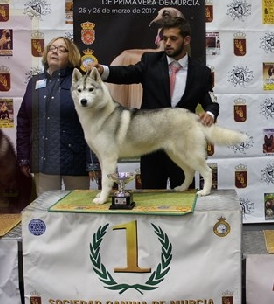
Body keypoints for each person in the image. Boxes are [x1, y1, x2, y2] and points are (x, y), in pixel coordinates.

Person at [95, 16, 219, 190]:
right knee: (150, 199)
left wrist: (210, 113)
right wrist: (103, 70)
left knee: (184, 200)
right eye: (164, 38)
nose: (167, 43)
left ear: (186, 40)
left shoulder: (201, 72)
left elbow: (210, 101)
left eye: (173, 39)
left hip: (182, 145)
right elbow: (128, 73)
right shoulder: (150, 61)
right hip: (151, 146)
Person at [17, 36, 99, 195]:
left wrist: (93, 161)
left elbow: (94, 124)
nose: (55, 51)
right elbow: (23, 122)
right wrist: (24, 157)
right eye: (52, 48)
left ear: (71, 56)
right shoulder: (34, 82)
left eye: (62, 49)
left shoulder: (82, 83)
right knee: (45, 206)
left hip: (74, 160)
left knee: (76, 206)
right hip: (42, 160)